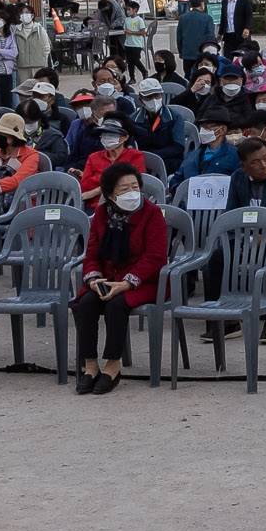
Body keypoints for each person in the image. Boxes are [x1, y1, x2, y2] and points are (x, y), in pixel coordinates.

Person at [72, 160, 168, 395]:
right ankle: (90, 365)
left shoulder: (152, 214)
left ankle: (113, 366)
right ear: (110, 194)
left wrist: (126, 282)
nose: (131, 192)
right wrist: (94, 280)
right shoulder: (101, 214)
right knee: (84, 303)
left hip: (145, 281)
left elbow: (155, 257)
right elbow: (92, 253)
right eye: (123, 189)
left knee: (117, 304)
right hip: (107, 278)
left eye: (135, 186)